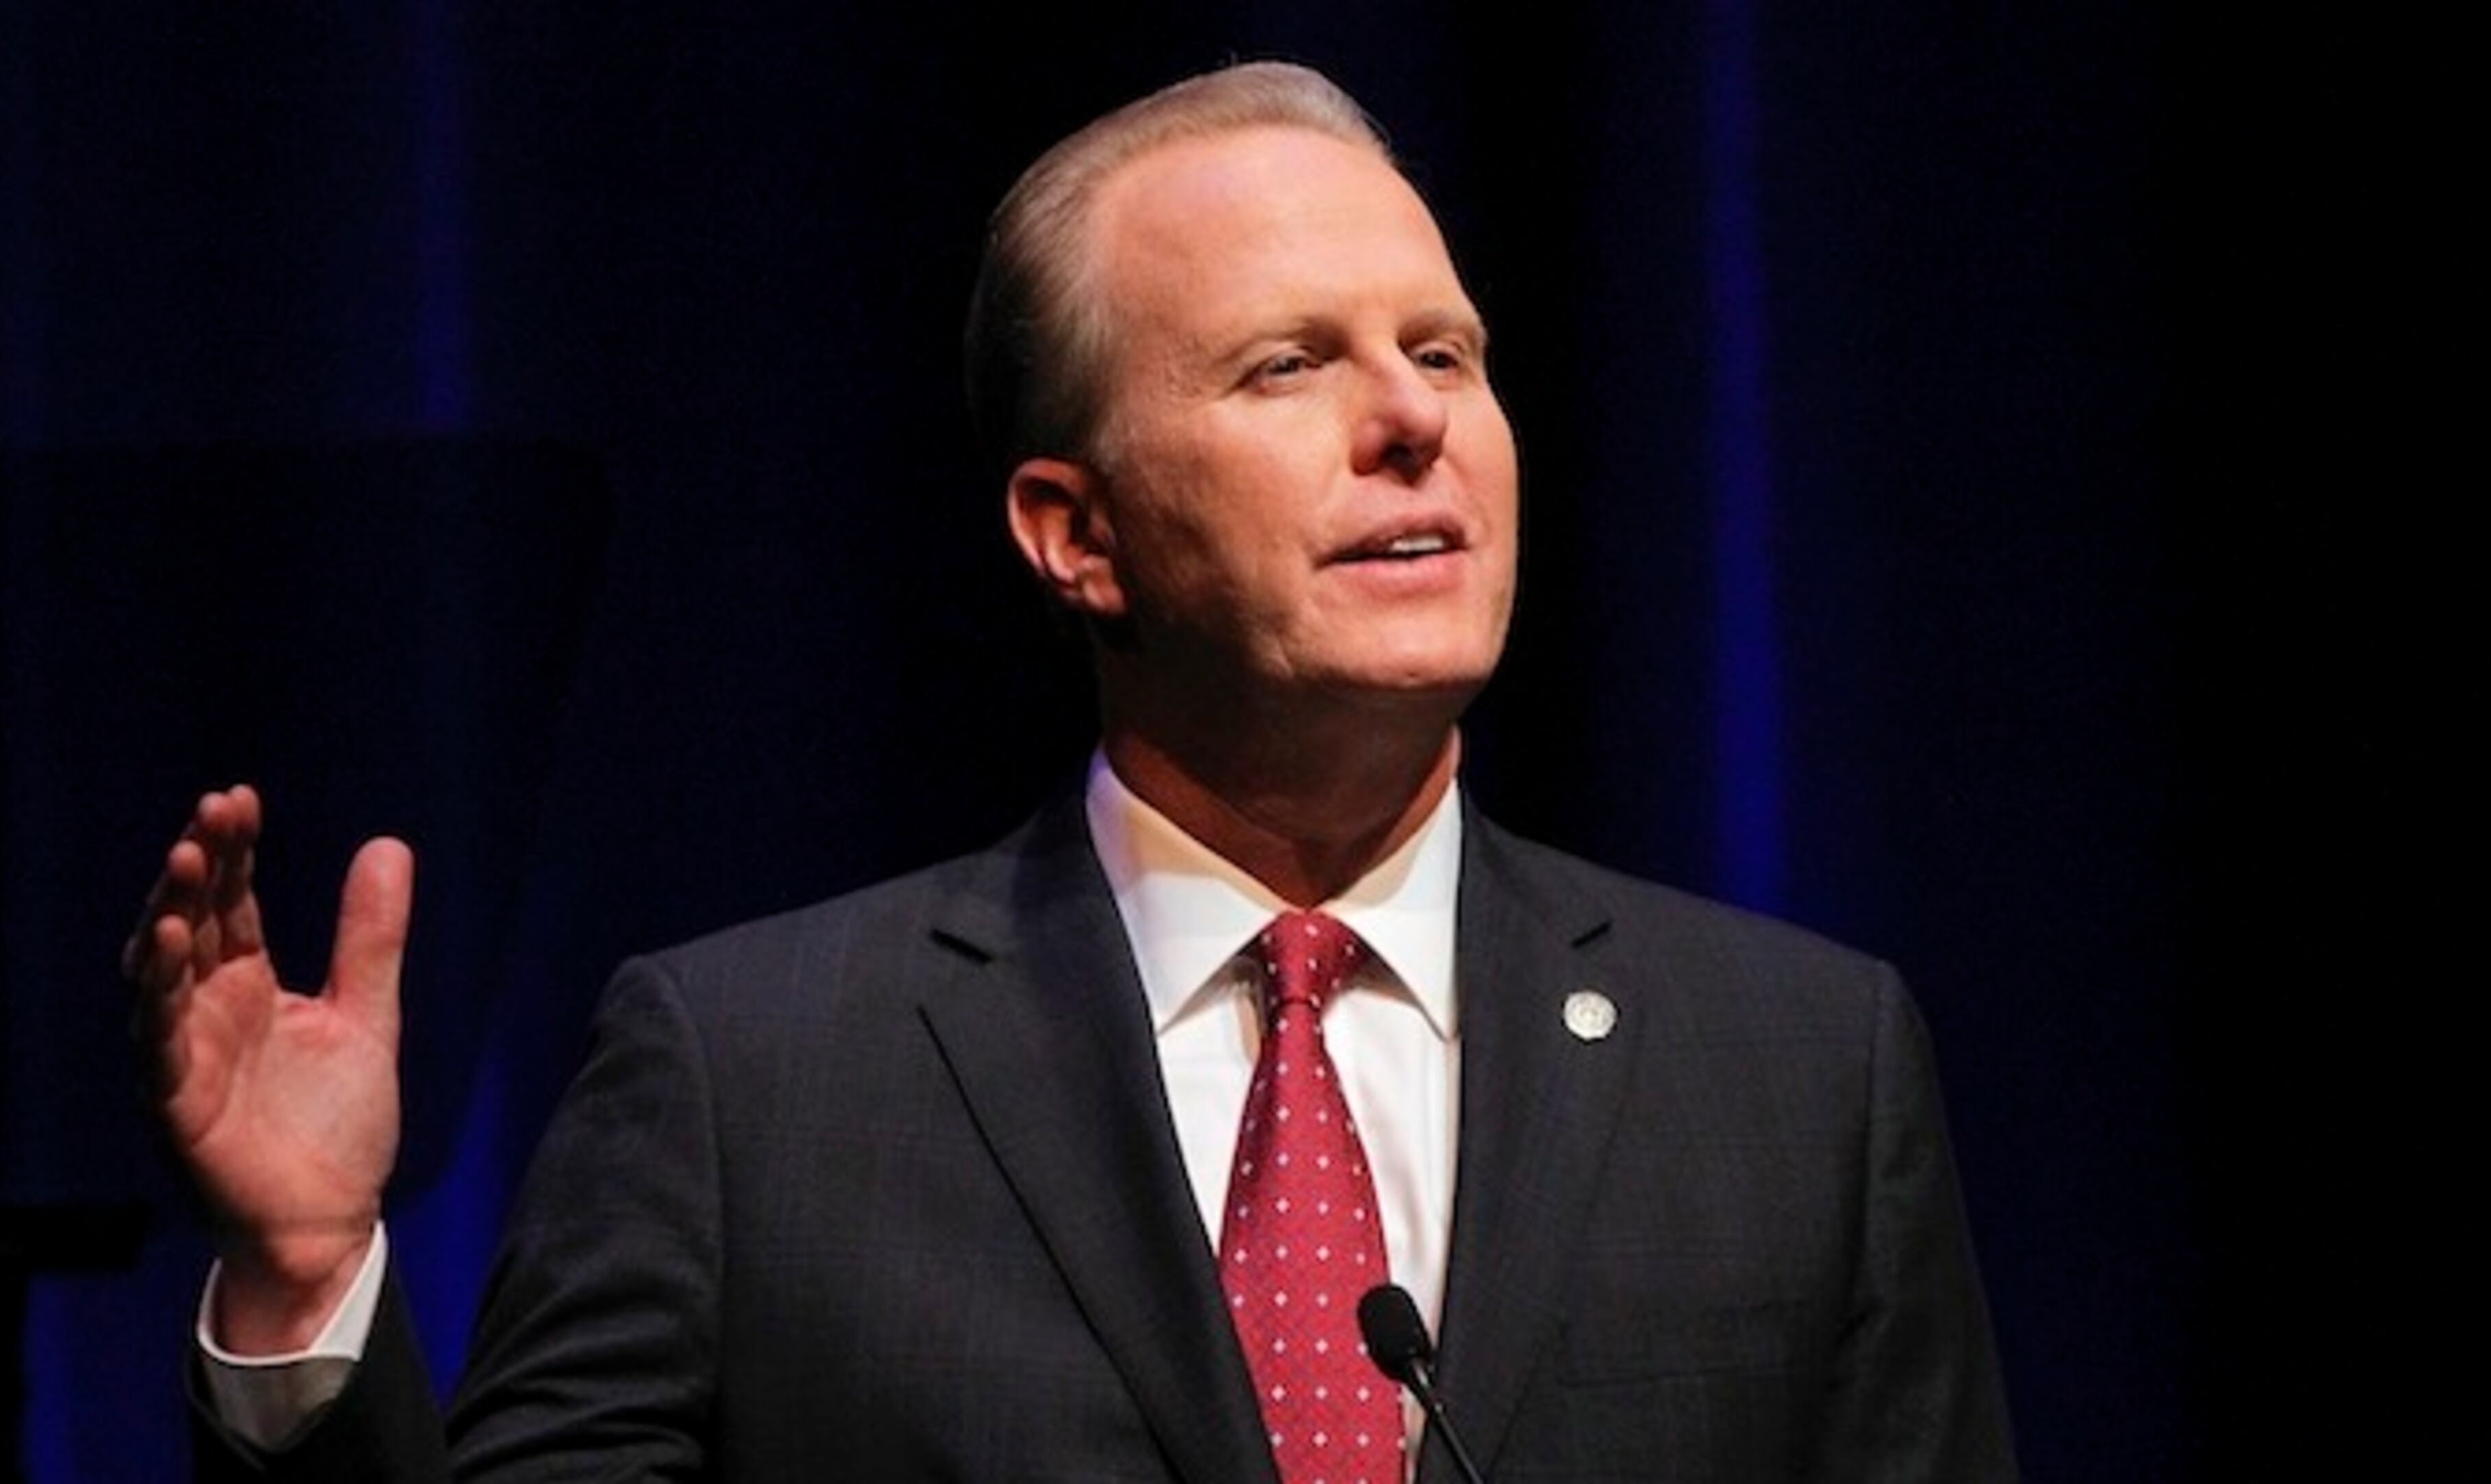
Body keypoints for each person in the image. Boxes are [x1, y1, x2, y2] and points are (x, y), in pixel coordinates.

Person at [129, 61, 2015, 1482]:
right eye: (1289, 368)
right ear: (1073, 534)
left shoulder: (1797, 1076)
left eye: (1446, 348)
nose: (1415, 420)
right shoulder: (754, 1087)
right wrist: (309, 1297)